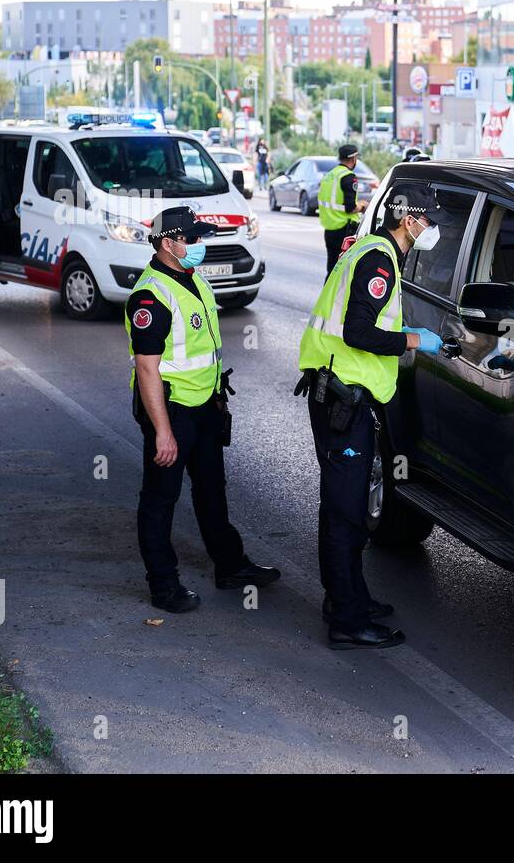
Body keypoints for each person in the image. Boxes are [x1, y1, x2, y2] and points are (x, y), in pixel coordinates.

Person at [296, 182, 445, 649]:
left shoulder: (370, 250)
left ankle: (346, 596)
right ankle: (348, 620)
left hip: (338, 394)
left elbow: (362, 320)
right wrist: (412, 340)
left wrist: (400, 329)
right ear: (409, 220)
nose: (432, 229)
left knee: (341, 506)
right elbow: (359, 332)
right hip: (344, 399)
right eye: (429, 220)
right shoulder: (379, 260)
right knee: (345, 512)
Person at [126, 205, 281, 613]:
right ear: (167, 244)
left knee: (212, 490)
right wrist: (162, 430)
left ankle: (229, 565)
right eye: (191, 239)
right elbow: (147, 367)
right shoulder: (151, 295)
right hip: (172, 411)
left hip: (205, 407)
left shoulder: (192, 280)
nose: (199, 245)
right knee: (160, 499)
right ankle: (163, 585)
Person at [317, 144, 366, 274]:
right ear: (353, 158)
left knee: (332, 270)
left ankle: (328, 294)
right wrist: (362, 206)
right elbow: (350, 208)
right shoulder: (348, 177)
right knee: (344, 272)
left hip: (329, 229)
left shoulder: (329, 175)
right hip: (344, 230)